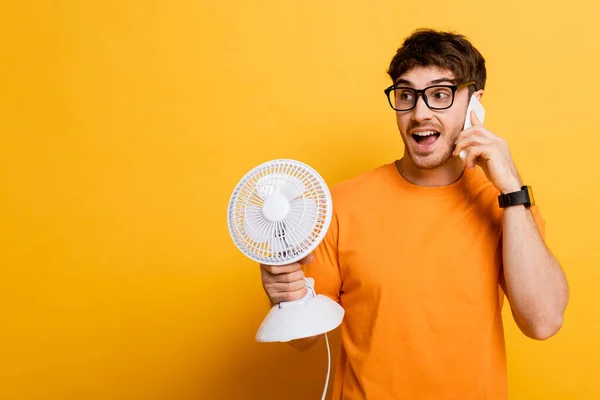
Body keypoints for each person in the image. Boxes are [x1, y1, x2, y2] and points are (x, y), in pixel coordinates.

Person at [259, 29, 569, 400]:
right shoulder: (339, 205)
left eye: (440, 95)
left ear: (475, 105)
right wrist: (285, 297)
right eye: (407, 96)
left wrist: (512, 189)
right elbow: (305, 339)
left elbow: (543, 322)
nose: (420, 113)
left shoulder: (506, 206)